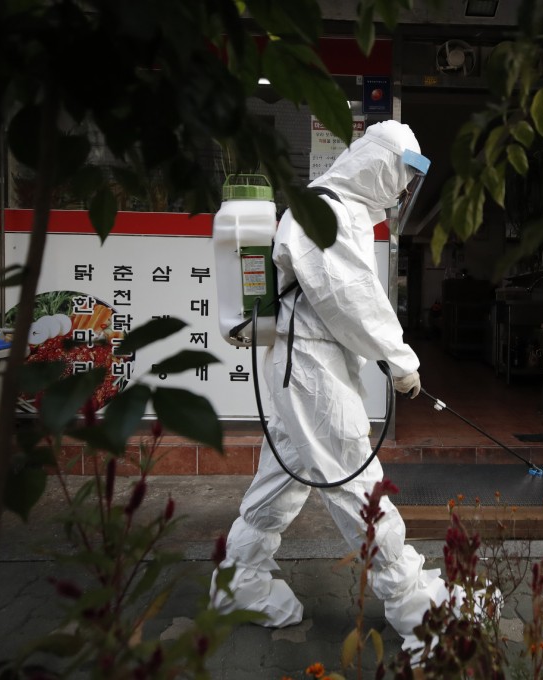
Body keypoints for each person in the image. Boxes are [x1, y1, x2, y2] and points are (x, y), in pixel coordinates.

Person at [211, 121, 452, 653]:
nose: (403, 188)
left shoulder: (345, 211)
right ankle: (413, 606)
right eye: (402, 173)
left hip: (310, 363)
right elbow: (350, 296)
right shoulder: (325, 209)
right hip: (311, 369)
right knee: (354, 477)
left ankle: (238, 582)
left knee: (283, 478)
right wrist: (398, 357)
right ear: (377, 161)